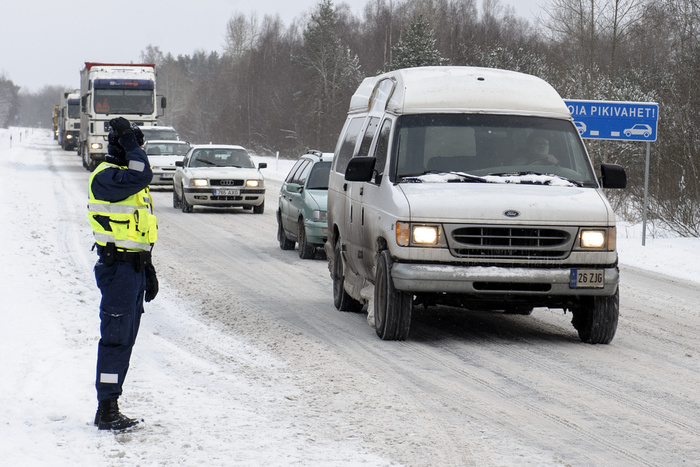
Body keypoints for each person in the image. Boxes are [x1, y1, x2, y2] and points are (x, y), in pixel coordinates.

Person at [87, 117, 159, 430]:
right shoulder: (106, 178)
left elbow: (136, 228)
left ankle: (112, 402)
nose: (139, 152)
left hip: (133, 269)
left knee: (126, 339)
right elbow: (144, 173)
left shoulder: (124, 180)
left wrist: (148, 264)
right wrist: (129, 141)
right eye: (134, 147)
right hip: (118, 271)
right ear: (124, 149)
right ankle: (106, 409)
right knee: (116, 340)